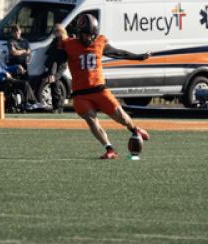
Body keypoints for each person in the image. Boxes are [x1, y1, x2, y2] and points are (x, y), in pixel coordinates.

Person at [56, 14, 151, 159]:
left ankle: (134, 129)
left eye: (92, 35)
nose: (89, 38)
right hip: (80, 94)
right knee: (91, 120)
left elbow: (118, 53)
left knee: (122, 118)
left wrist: (138, 57)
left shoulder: (99, 42)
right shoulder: (69, 45)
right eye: (86, 35)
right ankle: (110, 149)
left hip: (100, 90)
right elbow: (57, 60)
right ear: (79, 33)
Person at [0, 44, 43, 110]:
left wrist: (16, 66)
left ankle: (32, 102)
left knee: (24, 83)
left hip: (3, 81)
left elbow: (6, 68)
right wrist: (4, 74)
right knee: (24, 84)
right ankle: (30, 103)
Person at [44, 23, 68, 113]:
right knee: (53, 83)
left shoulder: (66, 41)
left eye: (56, 31)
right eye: (54, 31)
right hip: (53, 64)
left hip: (61, 64)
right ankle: (57, 106)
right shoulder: (54, 41)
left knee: (55, 83)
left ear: (60, 31)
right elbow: (49, 54)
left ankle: (58, 106)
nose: (54, 33)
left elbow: (66, 57)